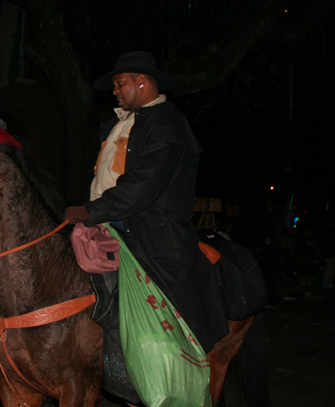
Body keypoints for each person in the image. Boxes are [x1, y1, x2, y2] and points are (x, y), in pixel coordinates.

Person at [65, 51, 227, 354]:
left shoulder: (167, 124)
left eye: (120, 83)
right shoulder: (121, 124)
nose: (114, 91)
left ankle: (185, 366)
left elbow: (144, 182)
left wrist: (91, 211)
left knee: (170, 317)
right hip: (111, 224)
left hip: (154, 234)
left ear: (141, 82)